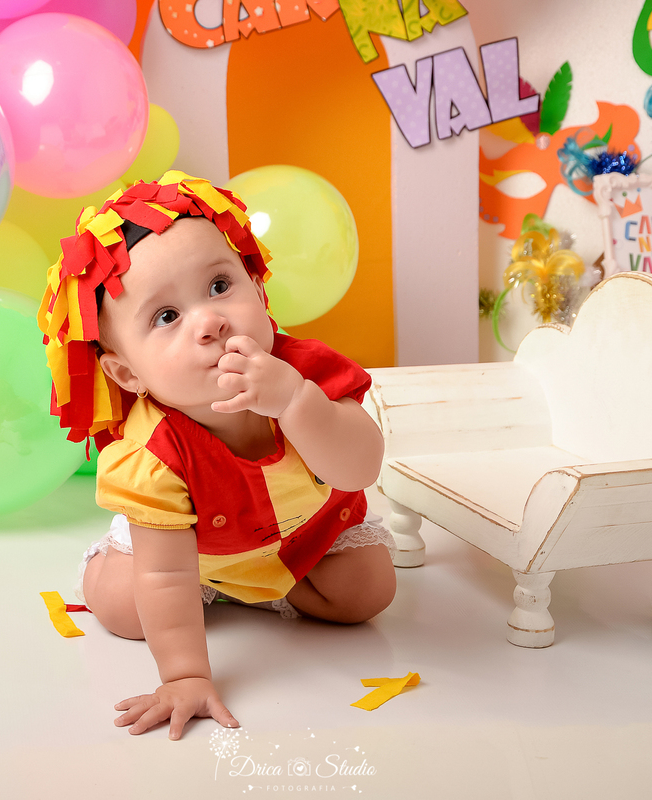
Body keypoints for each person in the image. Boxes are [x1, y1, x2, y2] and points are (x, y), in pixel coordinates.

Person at [38, 171, 397, 742]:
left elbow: (361, 468)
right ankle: (146, 571)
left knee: (369, 592)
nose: (209, 321)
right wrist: (184, 675)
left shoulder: (304, 370)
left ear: (257, 286)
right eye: (166, 317)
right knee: (126, 608)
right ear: (128, 372)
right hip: (190, 550)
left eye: (219, 285)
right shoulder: (152, 454)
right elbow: (164, 571)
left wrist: (297, 401)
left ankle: (262, 586)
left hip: (304, 531)